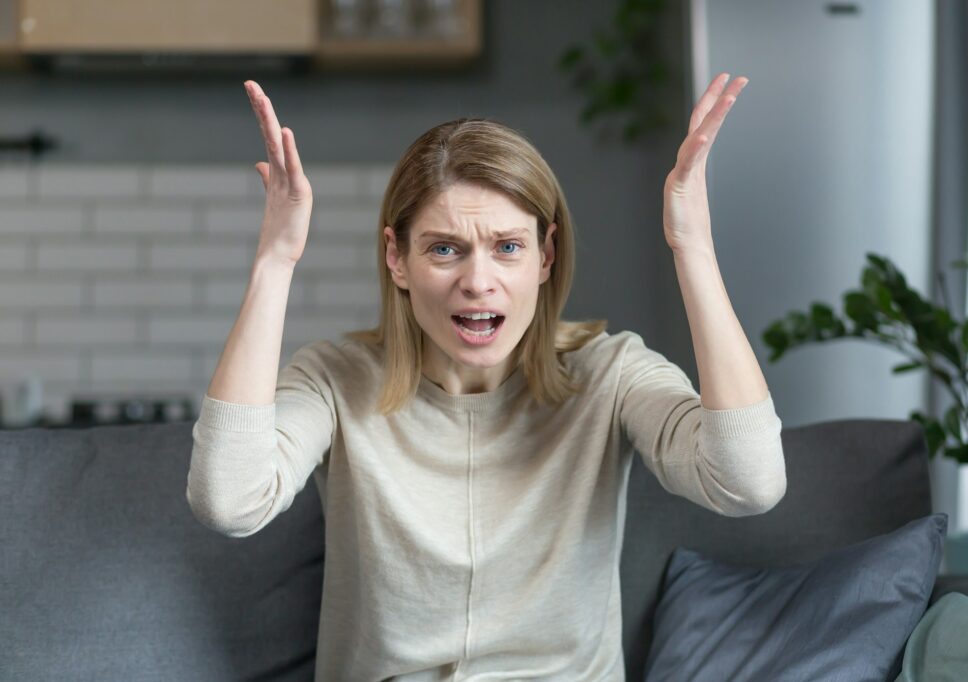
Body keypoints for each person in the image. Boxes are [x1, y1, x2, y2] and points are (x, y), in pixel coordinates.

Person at [187, 73, 785, 681]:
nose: (477, 280)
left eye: (507, 247)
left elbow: (748, 483)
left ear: (546, 255)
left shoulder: (610, 372)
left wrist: (693, 248)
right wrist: (274, 261)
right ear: (397, 258)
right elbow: (230, 502)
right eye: (445, 249)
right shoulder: (334, 380)